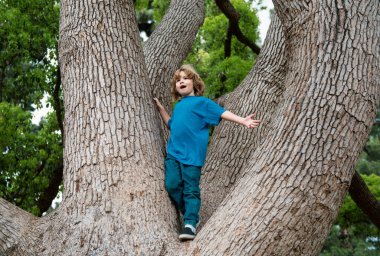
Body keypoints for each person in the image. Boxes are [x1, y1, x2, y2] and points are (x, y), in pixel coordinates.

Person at [153, 64, 261, 241]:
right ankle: (188, 210)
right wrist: (161, 109)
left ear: (194, 83)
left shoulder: (202, 103)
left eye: (185, 78)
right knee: (172, 184)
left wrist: (242, 120)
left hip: (192, 156)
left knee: (191, 190)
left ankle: (190, 223)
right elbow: (171, 125)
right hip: (173, 153)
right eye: (178, 80)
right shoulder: (179, 106)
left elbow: (222, 112)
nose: (181, 81)